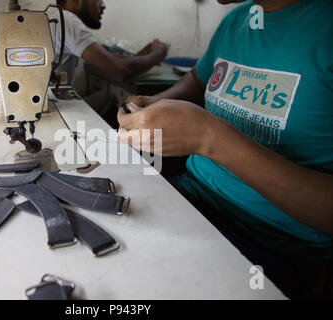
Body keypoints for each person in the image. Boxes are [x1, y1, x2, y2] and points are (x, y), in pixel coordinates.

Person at [117, 0, 333, 298]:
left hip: (273, 245)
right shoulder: (237, 20)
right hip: (191, 199)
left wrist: (211, 138)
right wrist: (156, 106)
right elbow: (198, 80)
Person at [48, 0, 169, 127]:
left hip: (50, 106)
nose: (103, 5)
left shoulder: (56, 16)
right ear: (76, 2)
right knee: (108, 101)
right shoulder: (68, 21)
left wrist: (145, 53)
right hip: (55, 111)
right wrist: (158, 54)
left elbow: (111, 59)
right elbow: (119, 70)